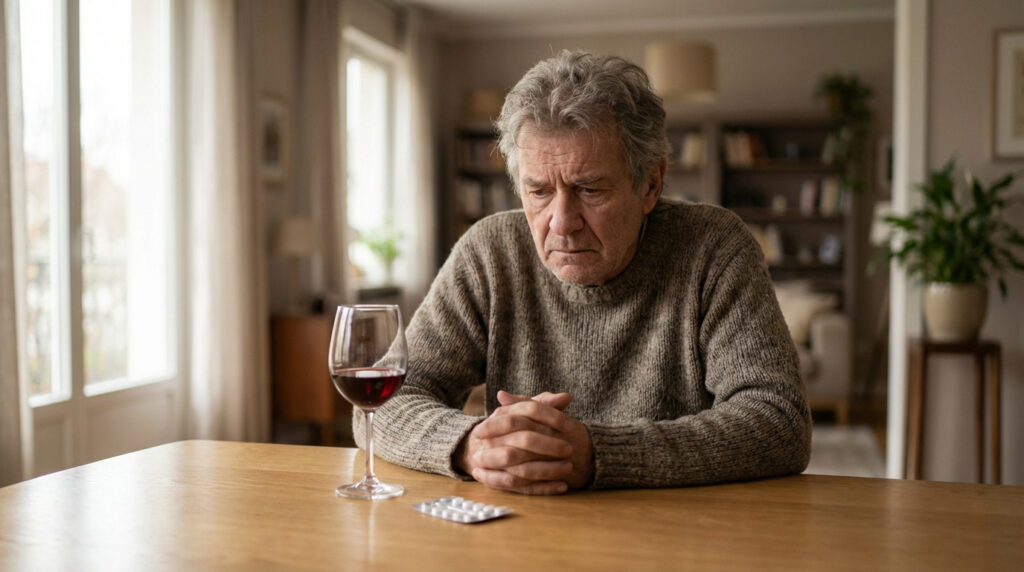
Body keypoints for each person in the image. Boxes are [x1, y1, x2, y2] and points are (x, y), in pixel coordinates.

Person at [358, 50, 811, 495]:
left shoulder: (714, 247)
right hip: (522, 533)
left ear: (650, 183)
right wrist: (471, 446)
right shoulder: (490, 252)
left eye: (589, 189)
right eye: (538, 191)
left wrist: (600, 454)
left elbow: (779, 420)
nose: (561, 222)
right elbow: (381, 404)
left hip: (678, 534)